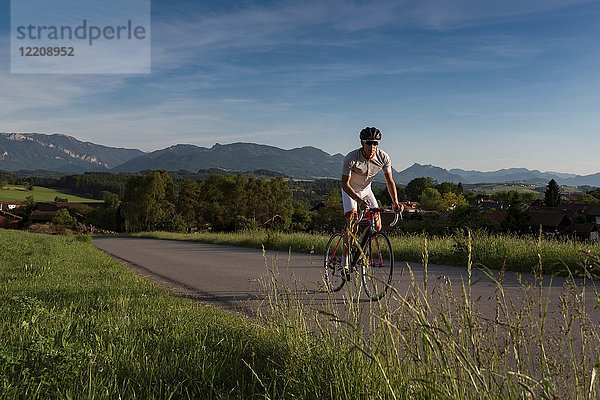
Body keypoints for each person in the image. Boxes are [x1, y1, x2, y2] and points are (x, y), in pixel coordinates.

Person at [340, 127, 403, 277]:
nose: (372, 146)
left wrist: (395, 202)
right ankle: (344, 264)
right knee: (352, 224)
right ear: (362, 142)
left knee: (377, 225)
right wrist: (359, 200)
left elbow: (389, 181)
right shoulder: (351, 158)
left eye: (375, 143)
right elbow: (344, 184)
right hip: (351, 191)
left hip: (367, 191)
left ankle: (359, 245)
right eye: (369, 143)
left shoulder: (383, 157)